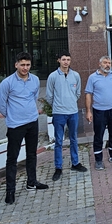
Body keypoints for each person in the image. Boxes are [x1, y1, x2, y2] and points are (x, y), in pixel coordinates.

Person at [0, 51, 48, 205]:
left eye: (28, 65)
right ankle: (10, 190)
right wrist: (13, 115)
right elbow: (1, 104)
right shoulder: (7, 83)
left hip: (32, 122)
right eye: (22, 65)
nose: (25, 68)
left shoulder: (35, 80)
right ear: (16, 65)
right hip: (15, 125)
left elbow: (34, 97)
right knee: (12, 158)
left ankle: (31, 182)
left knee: (31, 154)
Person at [45, 51, 87, 181]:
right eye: (63, 59)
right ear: (59, 60)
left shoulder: (75, 75)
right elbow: (49, 95)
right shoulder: (53, 76)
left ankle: (75, 163)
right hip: (59, 113)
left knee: (74, 138)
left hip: (73, 112)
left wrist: (70, 102)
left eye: (68, 59)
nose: (66, 62)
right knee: (59, 141)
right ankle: (58, 167)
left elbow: (78, 93)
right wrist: (58, 106)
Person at [85, 55, 112, 170]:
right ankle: (98, 160)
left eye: (109, 63)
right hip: (99, 111)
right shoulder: (92, 77)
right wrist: (88, 111)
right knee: (99, 135)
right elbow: (88, 94)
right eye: (105, 63)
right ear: (99, 64)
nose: (107, 65)